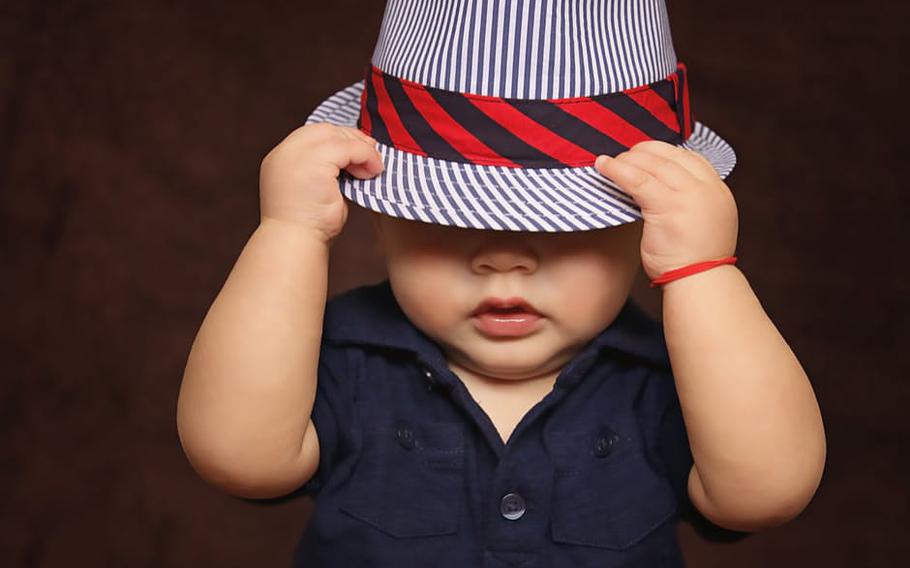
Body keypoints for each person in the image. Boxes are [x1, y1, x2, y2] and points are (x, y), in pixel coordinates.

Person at [176, 1, 826, 566]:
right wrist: (288, 235)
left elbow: (767, 491)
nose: (504, 258)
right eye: (450, 219)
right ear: (380, 222)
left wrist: (704, 273)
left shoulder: (673, 381)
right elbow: (237, 455)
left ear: (641, 231)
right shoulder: (346, 363)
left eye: (565, 226)